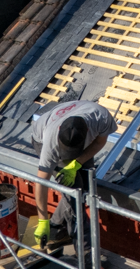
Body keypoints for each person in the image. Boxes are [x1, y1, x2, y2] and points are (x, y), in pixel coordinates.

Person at [31, 100, 115, 248]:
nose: (69, 156)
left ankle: (56, 226)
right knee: (74, 196)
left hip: (80, 135)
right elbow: (41, 182)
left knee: (86, 187)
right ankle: (85, 253)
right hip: (42, 136)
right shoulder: (51, 145)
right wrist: (42, 220)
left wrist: (76, 163)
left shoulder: (101, 118)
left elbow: (99, 143)